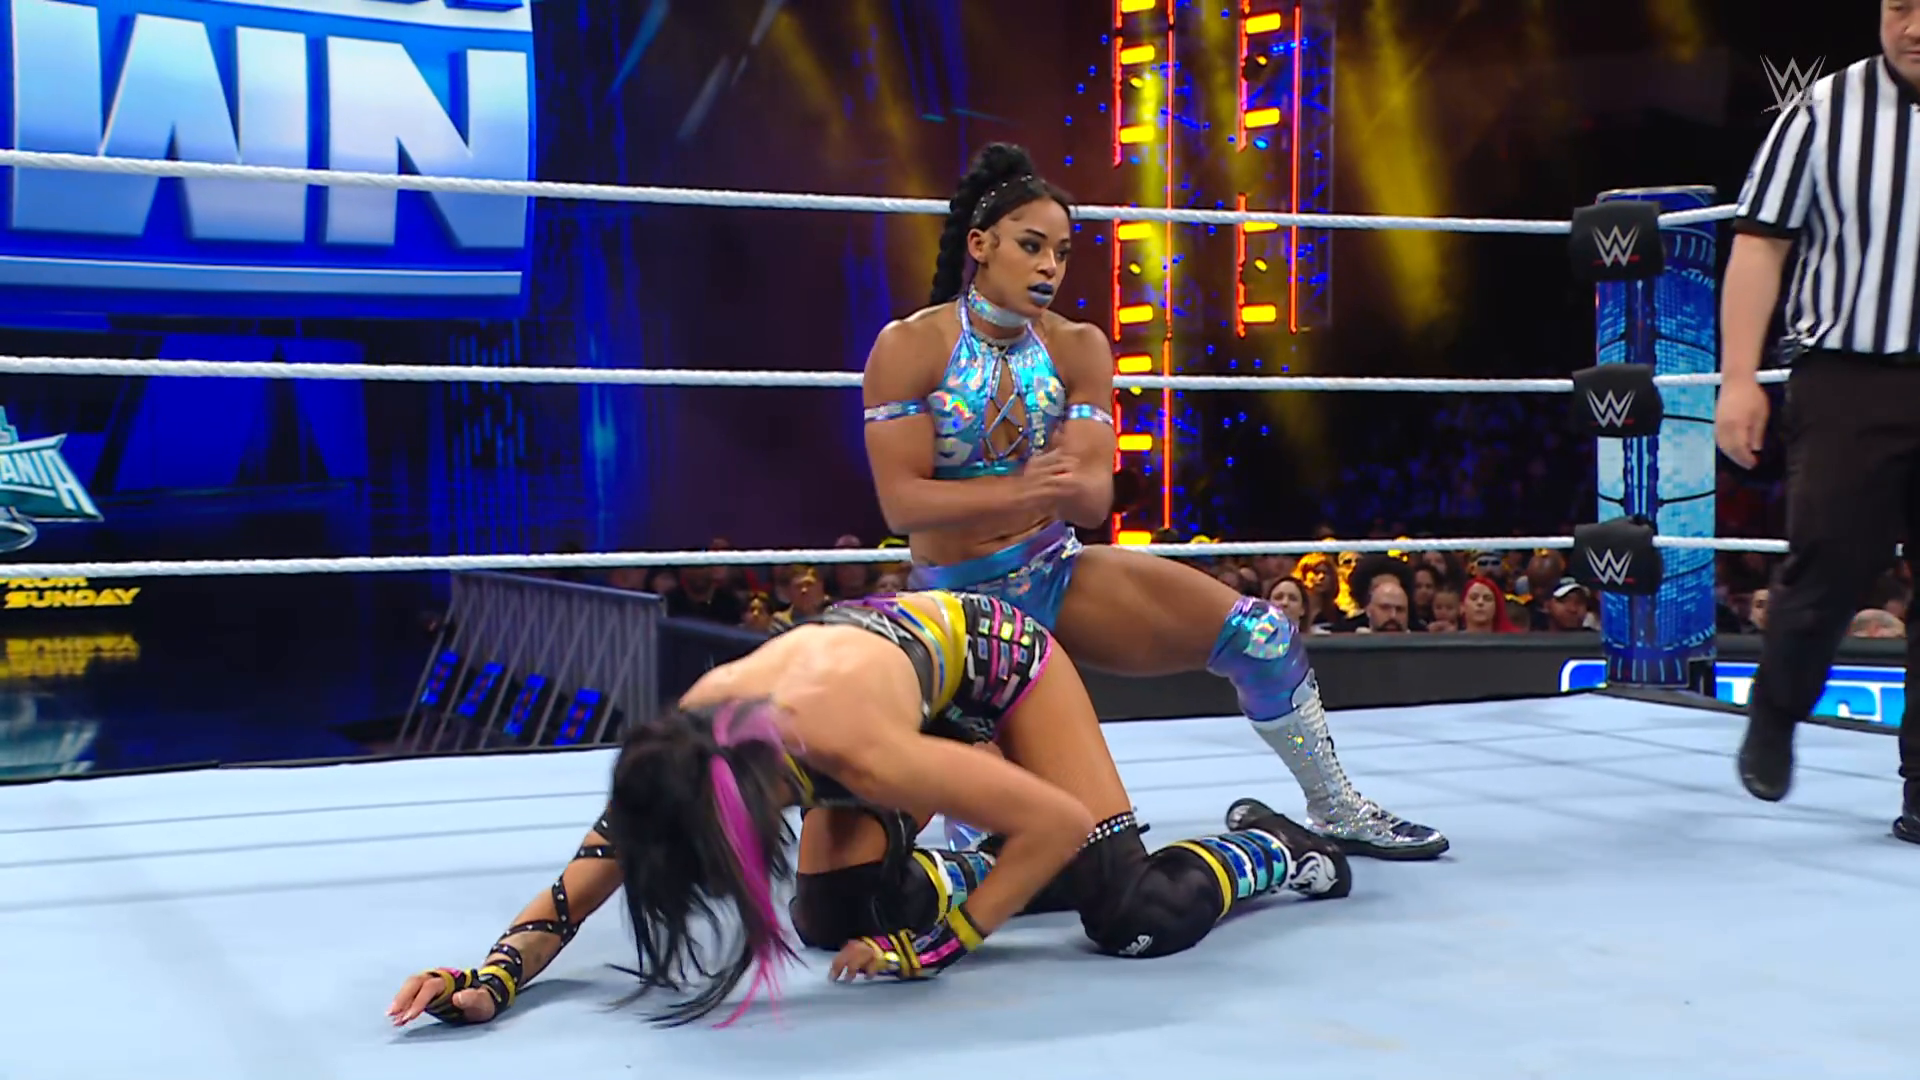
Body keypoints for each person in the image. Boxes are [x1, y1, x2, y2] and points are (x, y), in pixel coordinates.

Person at [387, 589, 1351, 1028]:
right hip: (881, 681)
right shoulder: (685, 746)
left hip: (997, 666)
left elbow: (1051, 818)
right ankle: (994, 874)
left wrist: (932, 948)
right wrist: (493, 977)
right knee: (830, 916)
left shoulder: (862, 755)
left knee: (1134, 915)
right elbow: (588, 877)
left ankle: (1268, 843)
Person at [858, 142, 1446, 859]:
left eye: (1062, 253)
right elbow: (902, 506)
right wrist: (1023, 488)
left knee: (1263, 636)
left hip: (1056, 572)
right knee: (1010, 848)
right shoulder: (910, 347)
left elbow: (1091, 499)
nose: (1049, 268)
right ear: (981, 245)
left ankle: (1337, 808)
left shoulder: (1078, 347)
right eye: (1032, 246)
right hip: (959, 608)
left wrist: (1053, 490)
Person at [1716, 3, 1920, 842]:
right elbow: (1760, 242)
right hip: (1848, 374)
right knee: (1829, 559)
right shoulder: (1823, 110)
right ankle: (1776, 708)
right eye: (1900, 5)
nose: (1913, 25)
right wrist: (1738, 378)